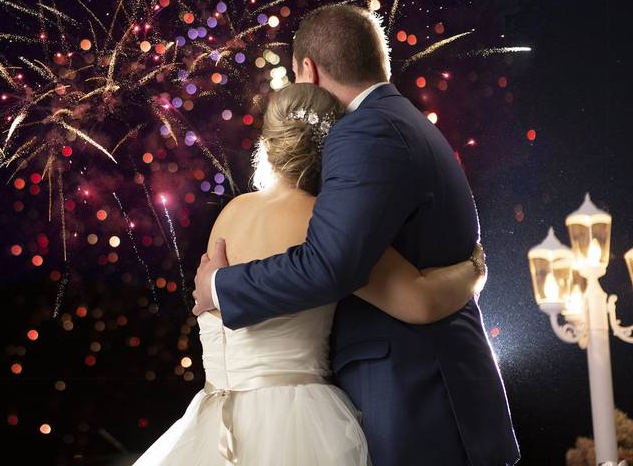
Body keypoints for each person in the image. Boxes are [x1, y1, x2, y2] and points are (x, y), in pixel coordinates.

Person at [191, 3, 519, 465]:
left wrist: (219, 285)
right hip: (422, 398)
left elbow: (331, 263)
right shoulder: (406, 122)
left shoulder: (364, 132)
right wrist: (472, 275)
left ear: (307, 69)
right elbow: (407, 291)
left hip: (413, 402)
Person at [135, 82, 486, 465]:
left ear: (266, 145)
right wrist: (474, 270)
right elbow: (421, 301)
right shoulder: (327, 224)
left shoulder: (230, 213)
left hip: (213, 420)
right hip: (299, 421)